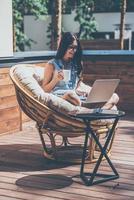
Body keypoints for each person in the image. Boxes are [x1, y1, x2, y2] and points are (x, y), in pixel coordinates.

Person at [42, 32, 119, 109]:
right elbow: (44, 90)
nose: (73, 50)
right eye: (70, 47)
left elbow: (73, 88)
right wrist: (55, 80)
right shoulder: (52, 64)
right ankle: (92, 110)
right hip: (63, 97)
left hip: (76, 98)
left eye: (75, 47)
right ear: (64, 46)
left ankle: (95, 111)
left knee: (115, 96)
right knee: (70, 94)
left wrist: (83, 93)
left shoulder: (76, 64)